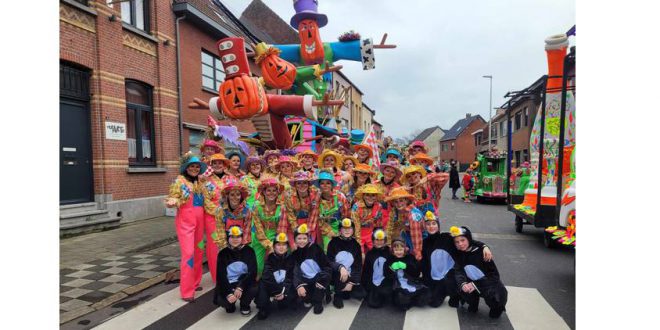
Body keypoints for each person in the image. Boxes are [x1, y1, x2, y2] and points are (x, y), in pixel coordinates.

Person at [165, 154, 216, 302]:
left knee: (199, 251)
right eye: (192, 166)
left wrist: (208, 182)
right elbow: (173, 197)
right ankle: (187, 291)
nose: (194, 169)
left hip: (200, 221)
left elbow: (212, 194)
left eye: (197, 167)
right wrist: (172, 201)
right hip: (186, 221)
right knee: (188, 254)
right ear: (186, 168)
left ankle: (194, 282)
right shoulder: (179, 181)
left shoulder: (200, 182)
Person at [421, 212, 492, 308]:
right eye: (428, 224)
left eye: (434, 223)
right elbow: (425, 265)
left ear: (438, 225)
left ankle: (456, 295)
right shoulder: (424, 243)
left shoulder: (446, 237)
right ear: (424, 226)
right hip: (435, 277)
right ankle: (444, 290)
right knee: (432, 302)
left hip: (451, 275)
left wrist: (484, 246)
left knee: (450, 284)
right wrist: (427, 282)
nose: (431, 226)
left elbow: (467, 240)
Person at [451, 226, 507, 318]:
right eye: (457, 242)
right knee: (458, 283)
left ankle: (496, 307)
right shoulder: (458, 253)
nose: (460, 244)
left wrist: (475, 284)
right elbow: (458, 271)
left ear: (469, 239)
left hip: (488, 284)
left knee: (495, 307)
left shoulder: (482, 253)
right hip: (472, 282)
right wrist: (463, 283)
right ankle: (473, 302)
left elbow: (494, 277)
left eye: (462, 240)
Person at [214, 226, 258, 315]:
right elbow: (220, 276)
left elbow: (252, 272)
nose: (235, 239)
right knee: (224, 301)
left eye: (238, 237)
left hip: (243, 281)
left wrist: (240, 287)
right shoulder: (223, 253)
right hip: (229, 283)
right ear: (228, 238)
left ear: (242, 238)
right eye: (232, 237)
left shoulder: (249, 251)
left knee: (255, 287)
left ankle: (244, 304)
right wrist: (228, 293)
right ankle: (231, 304)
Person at [201, 153, 230, 282]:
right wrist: (219, 212)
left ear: (224, 165)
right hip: (212, 219)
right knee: (214, 247)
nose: (217, 165)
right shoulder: (206, 181)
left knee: (231, 244)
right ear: (211, 165)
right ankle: (217, 278)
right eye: (214, 163)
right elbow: (206, 201)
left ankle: (231, 274)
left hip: (230, 217)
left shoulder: (232, 179)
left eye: (220, 163)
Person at [292, 224, 332, 315]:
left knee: (317, 298)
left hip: (319, 279)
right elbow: (295, 272)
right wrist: (299, 285)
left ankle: (319, 300)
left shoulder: (316, 248)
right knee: (305, 297)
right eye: (299, 238)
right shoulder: (295, 254)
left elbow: (327, 267)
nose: (302, 241)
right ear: (295, 240)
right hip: (306, 279)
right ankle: (310, 296)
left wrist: (323, 280)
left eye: (304, 238)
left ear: (308, 238)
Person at [251, 178, 289, 276]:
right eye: (268, 190)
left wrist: (276, 244)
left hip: (277, 238)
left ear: (277, 192)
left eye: (274, 190)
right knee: (258, 266)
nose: (271, 193)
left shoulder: (282, 207)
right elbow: (258, 229)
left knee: (277, 266)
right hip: (260, 239)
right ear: (263, 192)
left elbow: (282, 229)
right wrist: (268, 245)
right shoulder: (256, 207)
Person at [326, 218, 366, 309]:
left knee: (360, 294)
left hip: (349, 273)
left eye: (350, 228)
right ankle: (337, 295)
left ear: (353, 230)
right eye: (344, 228)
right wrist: (340, 267)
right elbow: (329, 261)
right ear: (340, 230)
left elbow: (358, 266)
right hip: (336, 273)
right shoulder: (333, 242)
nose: (347, 230)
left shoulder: (356, 244)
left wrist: (352, 282)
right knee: (338, 275)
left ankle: (346, 289)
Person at [256, 232, 295, 320]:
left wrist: (283, 292)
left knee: (290, 299)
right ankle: (263, 307)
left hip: (283, 286)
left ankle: (283, 300)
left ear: (287, 247)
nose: (281, 247)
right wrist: (277, 292)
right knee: (262, 287)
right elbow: (267, 278)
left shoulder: (291, 258)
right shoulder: (269, 258)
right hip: (271, 286)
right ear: (274, 247)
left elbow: (290, 277)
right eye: (278, 245)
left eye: (284, 245)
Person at [385, 238, 430, 311]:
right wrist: (391, 269)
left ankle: (412, 300)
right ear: (393, 250)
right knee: (400, 299)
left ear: (404, 249)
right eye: (396, 250)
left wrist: (407, 266)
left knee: (426, 296)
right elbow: (386, 275)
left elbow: (417, 273)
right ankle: (408, 300)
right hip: (398, 285)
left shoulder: (410, 257)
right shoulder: (390, 258)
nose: (399, 252)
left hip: (412, 283)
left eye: (400, 249)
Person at [314, 170, 351, 251]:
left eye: (328, 183)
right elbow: (318, 219)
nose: (325, 185)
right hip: (326, 229)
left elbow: (346, 215)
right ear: (319, 185)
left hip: (341, 227)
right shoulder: (317, 199)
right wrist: (330, 232)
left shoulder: (340, 196)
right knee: (328, 249)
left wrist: (342, 230)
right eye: (322, 183)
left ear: (332, 185)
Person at [385, 187, 425, 261]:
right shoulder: (396, 211)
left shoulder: (413, 215)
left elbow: (416, 236)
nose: (399, 204)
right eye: (396, 202)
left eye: (401, 201)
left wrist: (417, 253)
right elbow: (390, 228)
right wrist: (388, 244)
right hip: (406, 236)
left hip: (419, 240)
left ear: (406, 200)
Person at [214, 178, 252, 250]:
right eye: (232, 195)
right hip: (225, 246)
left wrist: (242, 247)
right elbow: (220, 233)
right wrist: (226, 249)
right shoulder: (220, 211)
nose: (235, 197)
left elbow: (247, 232)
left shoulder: (247, 211)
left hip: (242, 246)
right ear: (227, 196)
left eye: (238, 195)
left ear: (241, 196)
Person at [284, 171, 319, 245]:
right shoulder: (289, 198)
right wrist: (297, 231)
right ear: (295, 185)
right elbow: (291, 217)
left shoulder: (315, 195)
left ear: (308, 184)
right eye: (299, 183)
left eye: (304, 183)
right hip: (294, 227)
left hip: (311, 225)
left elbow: (314, 214)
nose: (302, 185)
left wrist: (307, 230)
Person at [361, 228, 392, 308]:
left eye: (381, 240)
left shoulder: (390, 252)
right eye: (377, 240)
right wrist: (368, 285)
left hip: (386, 281)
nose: (379, 242)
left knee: (388, 294)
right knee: (373, 303)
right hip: (373, 282)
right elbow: (366, 272)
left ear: (385, 240)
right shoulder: (370, 254)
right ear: (373, 240)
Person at [351, 183, 384, 253]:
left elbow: (379, 224)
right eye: (367, 195)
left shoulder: (379, 206)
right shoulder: (356, 206)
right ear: (363, 196)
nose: (370, 197)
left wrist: (377, 237)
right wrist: (358, 241)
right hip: (358, 235)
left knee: (376, 253)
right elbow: (355, 225)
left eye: (373, 195)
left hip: (371, 234)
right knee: (360, 254)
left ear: (376, 196)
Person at [374, 161, 403, 229]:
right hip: (375, 218)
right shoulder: (374, 184)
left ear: (395, 175)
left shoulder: (398, 188)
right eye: (387, 171)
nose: (389, 173)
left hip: (391, 220)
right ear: (383, 171)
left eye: (392, 172)